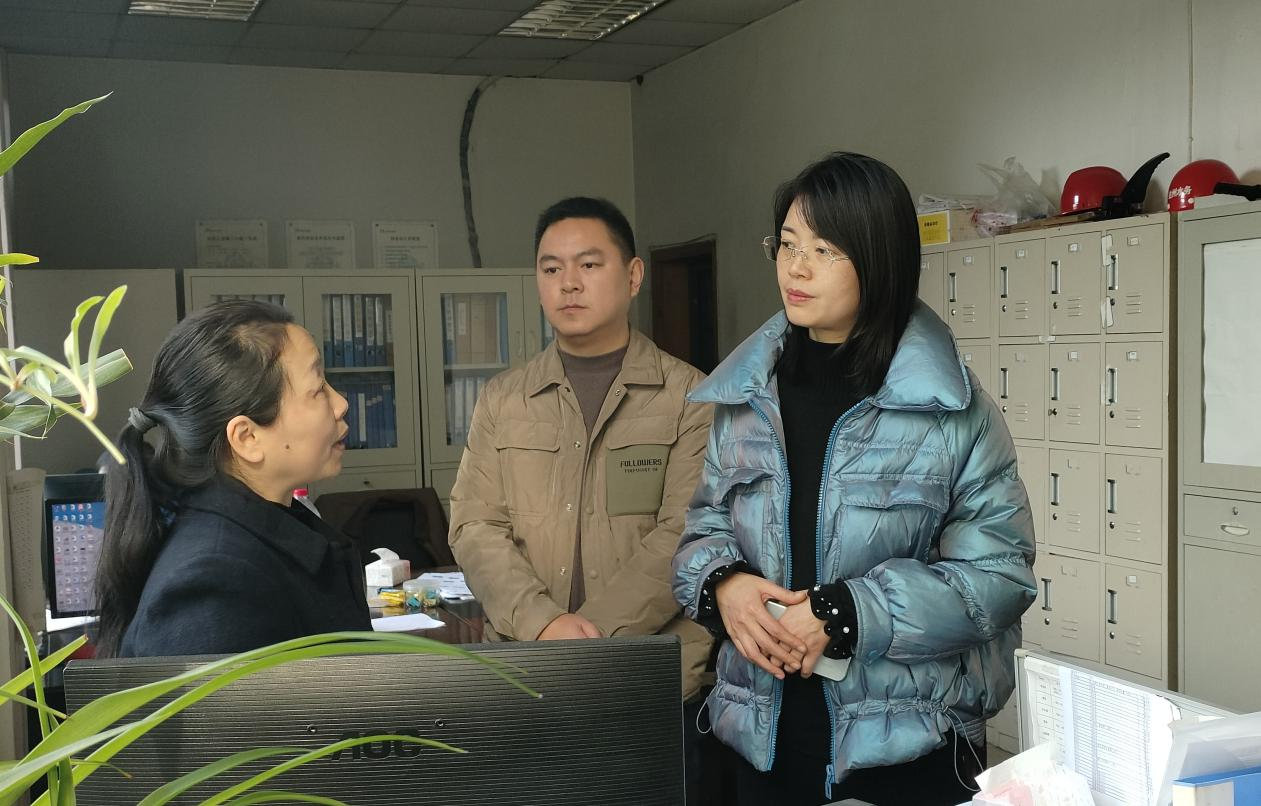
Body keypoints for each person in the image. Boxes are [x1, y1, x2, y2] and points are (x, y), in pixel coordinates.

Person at [672, 152, 1036, 806]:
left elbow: (998, 575)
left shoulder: (950, 411)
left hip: (906, 751)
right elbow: (704, 528)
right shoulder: (746, 400)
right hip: (758, 743)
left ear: (879, 260)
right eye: (786, 245)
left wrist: (847, 614)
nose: (796, 267)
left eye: (823, 250)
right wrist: (722, 583)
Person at [448, 197, 715, 800]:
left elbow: (687, 533)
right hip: (524, 679)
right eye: (551, 268)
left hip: (646, 685)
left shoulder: (690, 398)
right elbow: (474, 525)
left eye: (589, 265)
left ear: (634, 276)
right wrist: (543, 626)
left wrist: (586, 639)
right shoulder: (503, 399)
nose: (568, 283)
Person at [95, 299, 370, 658]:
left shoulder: (259, 535)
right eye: (318, 389)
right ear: (247, 437)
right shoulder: (213, 586)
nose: (341, 404)